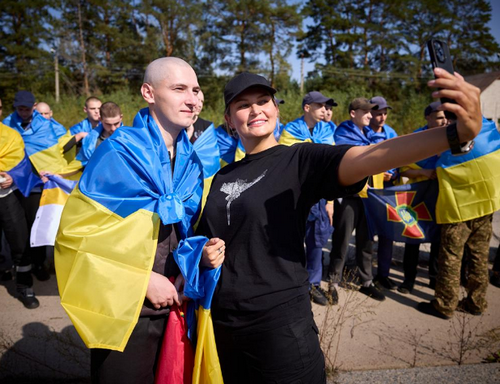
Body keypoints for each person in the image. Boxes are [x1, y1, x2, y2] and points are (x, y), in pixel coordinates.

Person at [196, 69, 482, 383]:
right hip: (222, 324)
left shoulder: (298, 160)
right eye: (242, 105)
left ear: (276, 109)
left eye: (263, 100)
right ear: (228, 118)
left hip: (278, 326)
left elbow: (369, 156)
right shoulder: (222, 176)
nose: (255, 110)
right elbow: (209, 235)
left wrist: (455, 134)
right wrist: (205, 253)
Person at [55, 57, 224, 384]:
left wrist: (197, 256)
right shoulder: (119, 151)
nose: (192, 99)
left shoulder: (189, 158)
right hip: (127, 309)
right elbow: (77, 236)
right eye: (178, 89)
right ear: (148, 92)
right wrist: (141, 280)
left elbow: (178, 231)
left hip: (175, 303)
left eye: (196, 90)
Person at [417, 111, 500, 319]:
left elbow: (440, 164)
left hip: (459, 209)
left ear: (451, 119)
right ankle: (476, 303)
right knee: (479, 257)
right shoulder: (487, 128)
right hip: (485, 206)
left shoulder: (450, 137)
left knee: (451, 258)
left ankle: (445, 305)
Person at [279, 91, 337, 306]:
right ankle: (291, 282)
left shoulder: (327, 130)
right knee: (292, 240)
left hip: (320, 197)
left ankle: (313, 283)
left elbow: (332, 167)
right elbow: (286, 163)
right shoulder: (291, 130)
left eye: (326, 106)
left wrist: (330, 202)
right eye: (320, 105)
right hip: (295, 195)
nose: (325, 109)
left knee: (316, 242)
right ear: (307, 108)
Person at [326, 97, 386, 302]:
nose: (371, 115)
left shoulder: (369, 135)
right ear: (353, 113)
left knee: (366, 241)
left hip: (370, 198)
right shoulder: (342, 134)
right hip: (350, 197)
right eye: (366, 112)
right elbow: (347, 162)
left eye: (372, 112)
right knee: (342, 240)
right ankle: (333, 281)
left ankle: (366, 281)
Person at [397, 101, 446, 294]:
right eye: (440, 117)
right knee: (413, 237)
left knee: (438, 239)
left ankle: (434, 279)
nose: (444, 121)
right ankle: (408, 280)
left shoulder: (451, 138)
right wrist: (424, 172)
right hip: (416, 197)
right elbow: (402, 168)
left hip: (442, 196)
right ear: (428, 117)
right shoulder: (415, 138)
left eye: (446, 117)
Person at [0, 119, 40, 308]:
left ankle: (24, 285)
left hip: (8, 196)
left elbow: (24, 164)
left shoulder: (11, 135)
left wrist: (12, 176)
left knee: (20, 240)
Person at [367, 96, 399, 291]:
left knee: (388, 234)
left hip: (387, 191)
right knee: (368, 234)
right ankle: (366, 275)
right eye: (379, 113)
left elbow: (398, 156)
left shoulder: (391, 133)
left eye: (385, 113)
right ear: (370, 114)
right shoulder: (365, 133)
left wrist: (393, 173)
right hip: (370, 191)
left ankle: (384, 274)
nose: (383, 117)